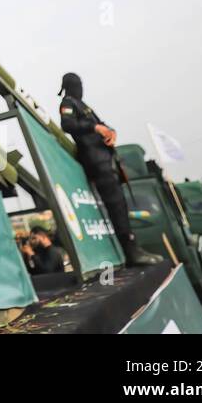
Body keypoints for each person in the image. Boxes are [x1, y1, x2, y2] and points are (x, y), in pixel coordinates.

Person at [58, 73, 162, 267]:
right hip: (95, 162)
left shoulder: (84, 106)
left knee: (120, 206)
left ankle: (133, 247)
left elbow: (102, 124)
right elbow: (67, 124)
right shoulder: (69, 103)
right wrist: (94, 128)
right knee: (115, 207)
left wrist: (110, 132)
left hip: (106, 160)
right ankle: (131, 252)